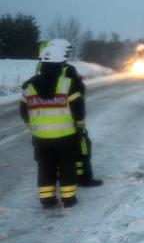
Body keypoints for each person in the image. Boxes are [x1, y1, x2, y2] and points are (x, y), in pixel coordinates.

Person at [19, 42, 85, 208]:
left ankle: (47, 199)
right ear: (60, 64)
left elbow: (23, 111)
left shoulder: (29, 86)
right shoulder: (68, 84)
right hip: (66, 136)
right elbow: (78, 108)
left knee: (45, 168)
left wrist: (34, 124)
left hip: (41, 138)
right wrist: (79, 125)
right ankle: (69, 199)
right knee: (66, 167)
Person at [36, 39, 102, 186]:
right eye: (66, 52)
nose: (66, 55)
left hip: (47, 120)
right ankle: (84, 178)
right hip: (69, 116)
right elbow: (79, 91)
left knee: (54, 154)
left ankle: (61, 177)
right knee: (82, 146)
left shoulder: (41, 69)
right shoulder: (68, 69)